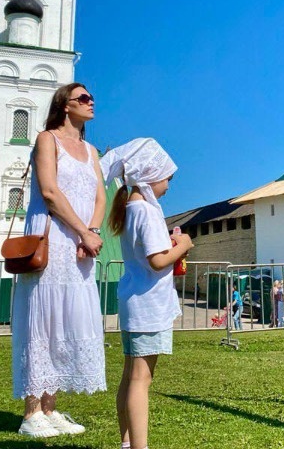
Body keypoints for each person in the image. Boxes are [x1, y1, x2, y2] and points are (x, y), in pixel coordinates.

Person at [12, 83, 106, 438]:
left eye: (92, 97)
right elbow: (50, 192)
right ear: (65, 106)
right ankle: (31, 412)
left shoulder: (91, 150)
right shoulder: (47, 140)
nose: (91, 102)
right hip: (52, 237)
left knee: (67, 319)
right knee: (43, 317)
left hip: (81, 243)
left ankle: (50, 408)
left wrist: (91, 231)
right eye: (83, 98)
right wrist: (83, 231)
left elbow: (100, 195)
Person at [103, 138, 191, 449]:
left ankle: (127, 442)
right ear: (151, 174)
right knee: (142, 380)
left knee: (130, 376)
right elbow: (157, 261)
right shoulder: (148, 211)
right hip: (149, 306)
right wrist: (183, 245)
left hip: (133, 302)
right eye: (168, 177)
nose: (168, 184)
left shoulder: (130, 207)